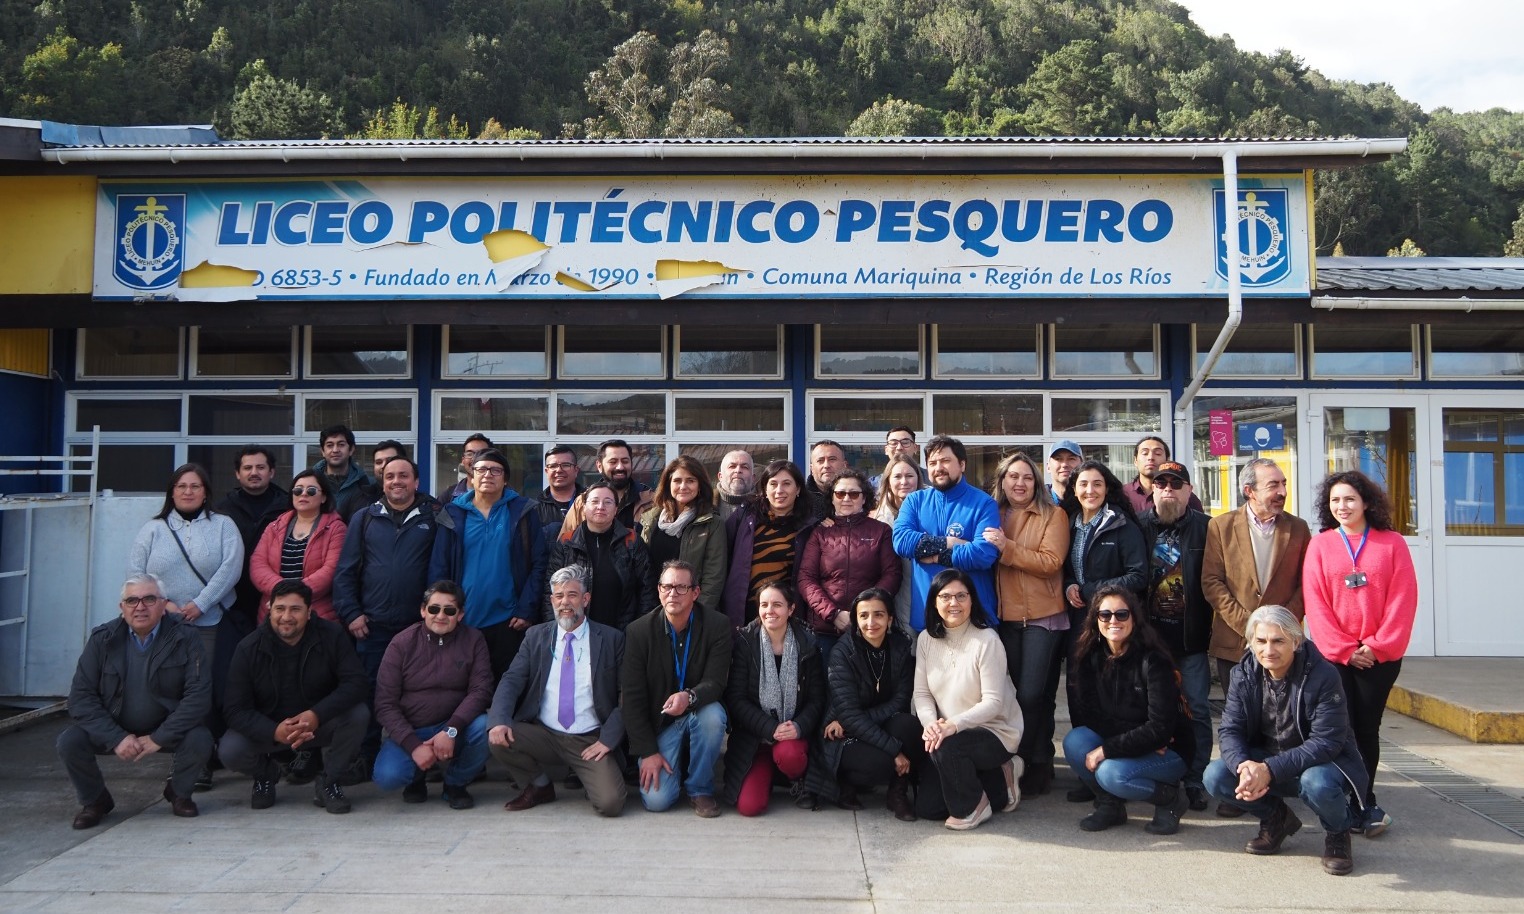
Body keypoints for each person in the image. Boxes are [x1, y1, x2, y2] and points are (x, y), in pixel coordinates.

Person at [1204, 605, 1367, 877]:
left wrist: (1267, 770)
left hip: (1319, 763)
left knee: (1317, 784)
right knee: (1216, 776)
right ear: (1251, 643)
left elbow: (1327, 741)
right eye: (1261, 641)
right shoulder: (1242, 674)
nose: (1269, 650)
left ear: (1296, 640)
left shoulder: (1324, 675)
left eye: (1278, 641)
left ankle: (1338, 833)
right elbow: (1230, 729)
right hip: (1267, 759)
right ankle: (1276, 819)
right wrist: (1245, 766)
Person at [1302, 469, 1417, 838]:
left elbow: (1403, 599)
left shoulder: (1392, 543)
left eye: (1349, 499)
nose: (1342, 506)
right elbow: (1315, 603)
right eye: (1335, 500)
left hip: (1379, 658)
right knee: (1340, 729)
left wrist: (1377, 646)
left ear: (1366, 502)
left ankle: (1365, 801)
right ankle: (1342, 798)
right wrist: (1345, 649)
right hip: (1335, 657)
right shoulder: (1320, 545)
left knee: (1367, 729)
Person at [1201, 457, 1311, 818]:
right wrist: (1250, 628)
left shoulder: (1298, 529)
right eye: (1273, 485)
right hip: (1235, 641)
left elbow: (1302, 586)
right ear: (1249, 491)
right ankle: (1238, 788)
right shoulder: (1221, 526)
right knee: (1240, 721)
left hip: (1282, 645)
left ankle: (1274, 782)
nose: (1282, 491)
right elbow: (1212, 583)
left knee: (1277, 719)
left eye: (1282, 483)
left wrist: (1278, 628)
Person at [57, 574, 213, 828]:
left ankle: (179, 793)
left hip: (163, 727)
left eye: (149, 599)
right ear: (122, 608)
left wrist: (158, 738)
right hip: (115, 726)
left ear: (164, 605)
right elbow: (80, 699)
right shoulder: (102, 639)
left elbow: (198, 696)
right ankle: (95, 800)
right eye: (132, 600)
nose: (140, 607)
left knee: (200, 737)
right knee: (69, 741)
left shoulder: (186, 637)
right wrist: (116, 737)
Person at [127, 462, 243, 790]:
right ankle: (181, 756)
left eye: (195, 486)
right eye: (182, 487)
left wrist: (200, 604)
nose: (188, 492)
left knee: (202, 691)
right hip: (164, 625)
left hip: (209, 622)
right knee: (171, 691)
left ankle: (203, 760)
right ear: (172, 492)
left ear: (206, 492)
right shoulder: (153, 529)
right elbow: (137, 573)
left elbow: (230, 568)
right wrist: (164, 605)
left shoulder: (223, 526)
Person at [332, 455, 443, 778]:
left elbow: (440, 569)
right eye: (391, 476)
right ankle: (365, 756)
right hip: (374, 626)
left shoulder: (434, 517)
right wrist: (352, 613)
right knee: (371, 693)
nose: (397, 481)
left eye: (404, 476)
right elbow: (345, 572)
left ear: (416, 482)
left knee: (421, 694)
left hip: (419, 627)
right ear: (383, 481)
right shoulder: (365, 518)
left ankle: (426, 759)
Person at [221, 580, 371, 814]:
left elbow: (356, 683)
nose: (286, 617)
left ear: (309, 613)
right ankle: (265, 774)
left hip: (316, 724)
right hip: (271, 729)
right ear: (270, 609)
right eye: (280, 609)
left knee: (358, 714)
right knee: (230, 749)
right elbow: (234, 709)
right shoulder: (248, 648)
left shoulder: (332, 635)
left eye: (295, 609)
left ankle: (329, 781)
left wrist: (316, 715)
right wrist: (274, 731)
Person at [490, 565, 629, 817]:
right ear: (552, 600)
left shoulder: (611, 639)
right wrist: (498, 720)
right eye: (558, 596)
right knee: (496, 736)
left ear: (585, 599)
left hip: (589, 738)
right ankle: (539, 785)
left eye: (572, 595)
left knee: (611, 804)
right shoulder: (535, 636)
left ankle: (592, 778)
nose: (565, 602)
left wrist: (608, 739)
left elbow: (626, 696)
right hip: (544, 733)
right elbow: (511, 680)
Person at [1062, 585, 1194, 835]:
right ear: (1095, 620)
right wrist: (1130, 741)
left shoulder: (1154, 661)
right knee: (1076, 742)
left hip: (1170, 751)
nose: (1114, 621)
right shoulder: (1089, 656)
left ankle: (1170, 799)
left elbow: (1161, 729)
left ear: (1134, 618)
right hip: (1142, 741)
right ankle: (1110, 805)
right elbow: (1090, 715)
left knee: (1112, 773)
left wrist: (1109, 749)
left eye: (1122, 614)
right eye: (1105, 615)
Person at [1058, 459, 1148, 802]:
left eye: (1096, 484)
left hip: (1113, 623)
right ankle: (1088, 775)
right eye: (1082, 485)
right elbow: (1064, 569)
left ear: (1107, 488)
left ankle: (1114, 767)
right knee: (1080, 693)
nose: (1089, 491)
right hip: (1079, 623)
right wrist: (1069, 585)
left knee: (1111, 694)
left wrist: (1093, 588)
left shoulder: (1122, 526)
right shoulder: (1068, 523)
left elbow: (1138, 576)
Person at [981, 451, 1069, 797]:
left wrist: (1007, 548)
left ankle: (1033, 760)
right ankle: (1030, 757)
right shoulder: (994, 514)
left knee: (1033, 694)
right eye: (1012, 477)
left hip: (1042, 617)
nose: (1020, 483)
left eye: (1027, 477)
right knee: (1015, 694)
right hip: (1004, 618)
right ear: (1002, 482)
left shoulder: (1053, 515)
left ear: (1037, 482)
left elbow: (1050, 562)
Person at [912, 569, 1023, 830]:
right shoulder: (926, 639)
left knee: (946, 748)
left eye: (961, 596)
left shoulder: (987, 640)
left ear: (972, 600)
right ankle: (1000, 777)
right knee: (928, 808)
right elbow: (922, 693)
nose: (954, 603)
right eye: (946, 596)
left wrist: (952, 725)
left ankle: (973, 807)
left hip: (993, 732)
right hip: (948, 733)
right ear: (934, 602)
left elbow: (993, 702)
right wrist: (930, 724)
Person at [620, 561, 732, 816]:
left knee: (714, 715)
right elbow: (632, 698)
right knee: (657, 801)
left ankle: (700, 789)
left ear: (696, 592)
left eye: (681, 587)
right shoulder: (638, 632)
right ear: (659, 590)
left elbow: (716, 682)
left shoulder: (717, 626)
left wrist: (690, 696)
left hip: (698, 711)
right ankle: (673, 767)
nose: (673, 594)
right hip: (660, 724)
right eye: (667, 587)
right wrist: (647, 752)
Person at [371, 580, 492, 809]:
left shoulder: (474, 640)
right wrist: (413, 745)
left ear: (461, 614)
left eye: (449, 610)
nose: (441, 615)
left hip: (455, 727)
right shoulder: (401, 643)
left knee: (486, 727)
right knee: (387, 777)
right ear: (423, 610)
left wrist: (451, 729)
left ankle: (455, 784)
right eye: (434, 609)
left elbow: (481, 690)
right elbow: (385, 704)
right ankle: (416, 778)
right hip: (412, 728)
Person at [1135, 460, 1214, 812]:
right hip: (1149, 640)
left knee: (1196, 708)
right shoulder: (1137, 527)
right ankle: (1155, 773)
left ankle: (1195, 779)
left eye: (1176, 483)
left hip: (1190, 639)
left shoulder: (1208, 529)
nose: (1168, 488)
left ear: (1189, 490)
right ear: (1152, 489)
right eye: (1161, 483)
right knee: (1151, 711)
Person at [429, 448, 547, 679]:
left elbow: (538, 564)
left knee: (504, 687)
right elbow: (439, 566)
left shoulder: (522, 512)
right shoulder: (452, 514)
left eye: (496, 470)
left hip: (509, 620)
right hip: (463, 619)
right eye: (481, 469)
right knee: (463, 685)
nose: (488, 475)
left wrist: (526, 609)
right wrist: (445, 610)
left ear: (505, 479)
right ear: (471, 475)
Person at [806, 587, 922, 820]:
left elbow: (900, 700)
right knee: (884, 762)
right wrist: (894, 750)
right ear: (855, 620)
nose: (871, 622)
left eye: (878, 614)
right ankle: (845, 782)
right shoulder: (843, 652)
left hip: (862, 724)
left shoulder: (900, 647)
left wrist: (853, 721)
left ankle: (897, 794)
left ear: (890, 619)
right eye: (863, 615)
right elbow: (848, 713)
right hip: (841, 736)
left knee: (908, 725)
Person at [722, 582, 828, 816]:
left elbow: (817, 699)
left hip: (793, 738)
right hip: (755, 741)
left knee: (788, 756)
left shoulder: (807, 644)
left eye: (777, 605)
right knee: (750, 807)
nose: (769, 610)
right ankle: (769, 775)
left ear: (791, 609)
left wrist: (799, 727)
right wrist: (770, 728)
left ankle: (795, 778)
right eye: (764, 605)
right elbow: (736, 699)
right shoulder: (745, 642)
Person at [892, 435, 1000, 633]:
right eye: (932, 462)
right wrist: (949, 542)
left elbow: (984, 554)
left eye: (945, 461)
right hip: (928, 618)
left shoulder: (984, 504)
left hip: (975, 618)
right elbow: (901, 541)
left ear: (962, 464)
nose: (938, 467)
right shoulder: (915, 501)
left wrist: (935, 556)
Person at [798, 467, 900, 661]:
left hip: (869, 628)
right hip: (825, 630)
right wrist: (833, 614)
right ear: (832, 497)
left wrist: (863, 612)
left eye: (854, 494)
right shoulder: (820, 533)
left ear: (864, 498)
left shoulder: (881, 531)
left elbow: (892, 574)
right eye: (840, 493)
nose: (846, 498)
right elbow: (806, 578)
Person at [721, 459, 818, 628]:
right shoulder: (745, 517)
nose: (779, 490)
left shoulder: (809, 527)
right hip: (744, 612)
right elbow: (722, 557)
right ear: (765, 489)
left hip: (785, 615)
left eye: (787, 484)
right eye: (773, 484)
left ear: (798, 489)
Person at [547, 482, 655, 630]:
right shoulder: (567, 542)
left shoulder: (632, 541)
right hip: (576, 631)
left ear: (616, 509)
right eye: (594, 501)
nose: (600, 507)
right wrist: (555, 631)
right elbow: (550, 590)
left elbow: (647, 591)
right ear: (584, 508)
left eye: (608, 502)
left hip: (622, 632)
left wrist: (639, 632)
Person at [249, 471, 348, 623]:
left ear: (323, 497)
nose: (303, 494)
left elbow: (331, 570)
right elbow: (258, 564)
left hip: (317, 616)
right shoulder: (274, 526)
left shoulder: (336, 529)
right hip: (273, 614)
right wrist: (282, 593)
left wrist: (292, 595)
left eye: (311, 490)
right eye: (298, 490)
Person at [215, 446, 288, 633]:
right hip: (233, 598)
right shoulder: (222, 510)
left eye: (260, 467)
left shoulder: (288, 507)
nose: (254, 472)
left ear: (271, 472)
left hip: (276, 593)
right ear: (237, 474)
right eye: (247, 468)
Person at [639, 455, 729, 604]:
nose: (683, 486)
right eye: (677, 481)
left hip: (690, 611)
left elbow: (713, 579)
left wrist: (695, 617)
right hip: (652, 608)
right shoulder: (651, 519)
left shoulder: (712, 523)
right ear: (668, 484)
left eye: (691, 481)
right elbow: (641, 571)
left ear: (700, 485)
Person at [872, 453, 923, 633]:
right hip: (887, 595)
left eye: (909, 476)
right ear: (887, 481)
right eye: (898, 476)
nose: (904, 482)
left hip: (921, 591)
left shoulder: (930, 513)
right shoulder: (875, 518)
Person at [1124, 436, 1202, 514]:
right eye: (1145, 453)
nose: (1150, 457)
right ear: (1135, 461)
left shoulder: (1185, 497)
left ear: (1167, 460)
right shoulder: (1122, 494)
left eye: (1158, 454)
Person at [314, 423, 373, 521]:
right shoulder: (311, 483)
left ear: (351, 449)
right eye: (330, 445)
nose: (335, 450)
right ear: (323, 451)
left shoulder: (366, 484)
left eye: (341, 445)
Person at [595, 438, 654, 532]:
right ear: (599, 466)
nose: (620, 467)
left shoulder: (651, 501)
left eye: (625, 461)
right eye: (613, 462)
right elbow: (567, 543)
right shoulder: (583, 503)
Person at [534, 444, 584, 540]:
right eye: (553, 466)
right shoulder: (535, 508)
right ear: (546, 471)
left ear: (576, 470)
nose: (559, 470)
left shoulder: (590, 502)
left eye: (566, 465)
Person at [438, 433, 493, 504]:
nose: (474, 458)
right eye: (469, 454)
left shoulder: (506, 495)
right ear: (463, 460)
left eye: (480, 453)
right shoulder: (448, 496)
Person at [804, 439, 848, 518]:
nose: (826, 465)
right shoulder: (800, 498)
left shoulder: (858, 496)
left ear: (844, 465)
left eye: (832, 459)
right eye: (820, 460)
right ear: (812, 468)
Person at [713, 449, 755, 522]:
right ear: (720, 476)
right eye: (732, 466)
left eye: (745, 467)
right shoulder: (703, 506)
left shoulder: (766, 509)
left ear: (753, 478)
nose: (738, 470)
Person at [1045, 440, 1083, 505]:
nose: (1064, 464)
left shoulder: (1089, 500)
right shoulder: (1036, 500)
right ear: (1048, 467)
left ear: (1082, 465)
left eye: (1071, 459)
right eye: (1058, 459)